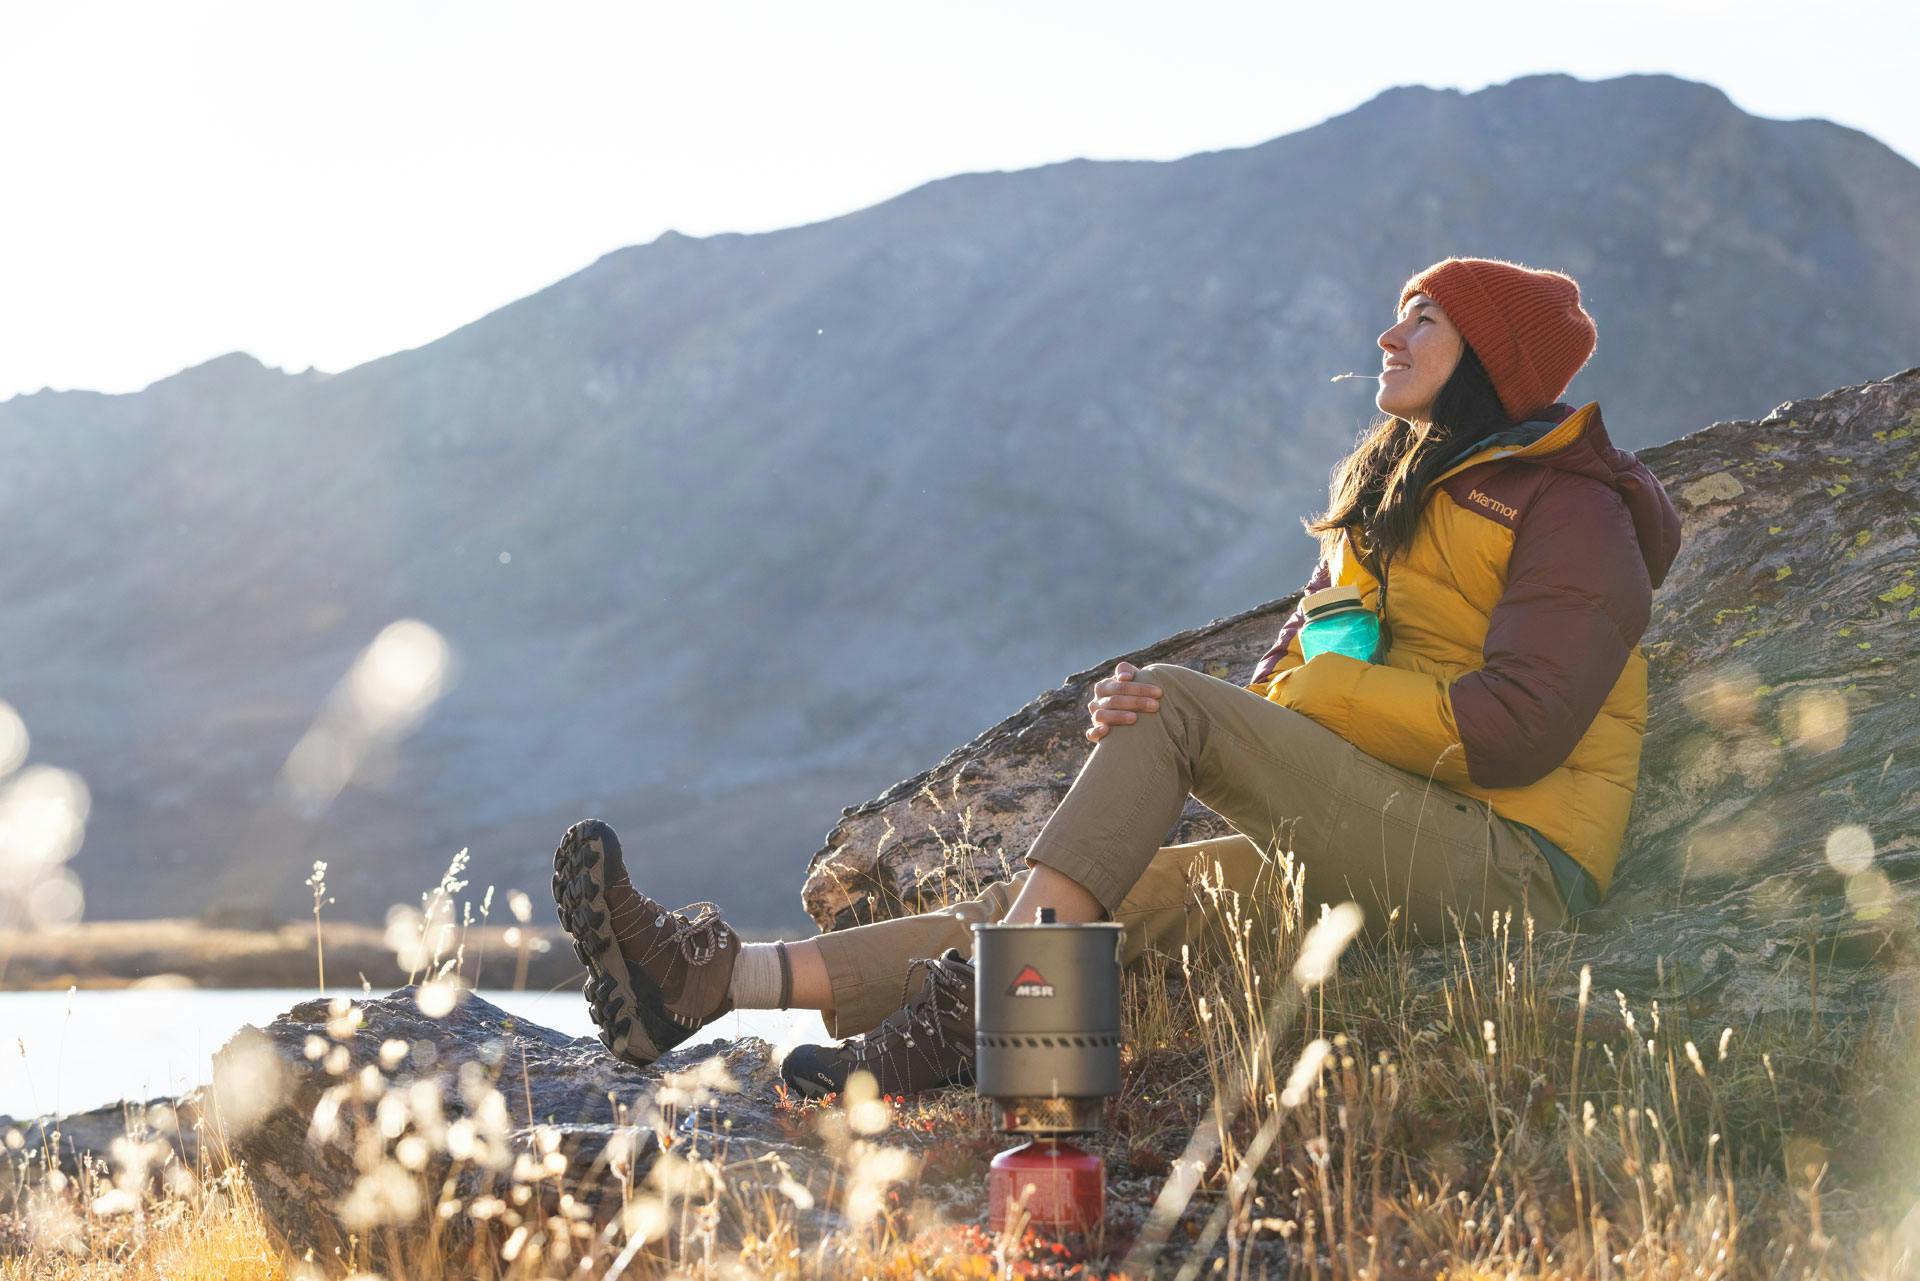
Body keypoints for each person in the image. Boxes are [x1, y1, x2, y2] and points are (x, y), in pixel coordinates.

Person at [550, 255, 1684, 1100]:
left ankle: (1001, 1025)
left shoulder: (1574, 508)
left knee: (1168, 726)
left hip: (1508, 867)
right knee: (1083, 902)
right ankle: (705, 982)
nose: (1387, 337)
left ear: (1490, 356)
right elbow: (1296, 681)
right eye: (1395, 315)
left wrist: (1234, 713)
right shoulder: (1385, 503)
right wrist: (1173, 719)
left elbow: (1521, 731)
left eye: (1423, 319)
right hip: (1381, 836)